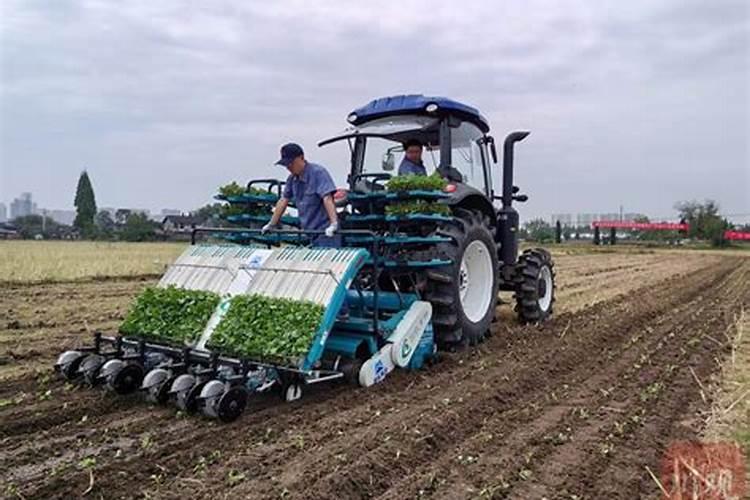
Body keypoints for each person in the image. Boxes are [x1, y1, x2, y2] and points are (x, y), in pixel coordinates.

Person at [262, 143, 340, 247]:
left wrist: (333, 224)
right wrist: (271, 224)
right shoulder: (292, 179)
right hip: (309, 233)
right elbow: (283, 200)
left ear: (301, 158)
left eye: (291, 163)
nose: (288, 167)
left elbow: (327, 198)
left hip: (325, 233)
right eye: (286, 165)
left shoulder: (318, 173)